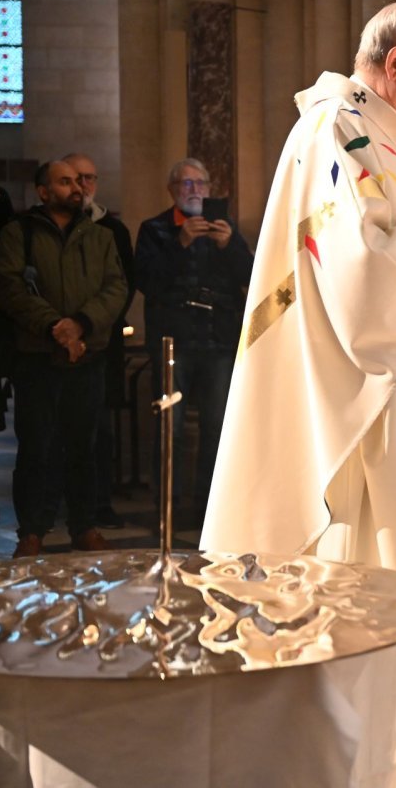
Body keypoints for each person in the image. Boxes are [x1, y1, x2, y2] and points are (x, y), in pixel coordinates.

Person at [199, 0, 396, 782]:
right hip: (359, 394)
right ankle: (347, 718)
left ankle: (388, 712)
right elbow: (360, 273)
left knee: (390, 545)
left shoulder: (385, 138)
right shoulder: (337, 130)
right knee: (362, 537)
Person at [0, 161, 127, 557]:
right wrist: (56, 326)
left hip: (87, 357)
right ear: (42, 191)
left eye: (78, 181)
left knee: (83, 447)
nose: (76, 188)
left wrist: (82, 324)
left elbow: (116, 286)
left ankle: (84, 525)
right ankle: (32, 531)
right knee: (38, 447)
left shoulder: (100, 236)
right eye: (64, 181)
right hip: (38, 358)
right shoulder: (18, 232)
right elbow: (10, 286)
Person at [135, 158, 252, 524]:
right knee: (171, 426)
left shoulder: (225, 227)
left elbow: (249, 275)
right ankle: (167, 504)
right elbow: (147, 282)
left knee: (216, 427)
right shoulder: (155, 230)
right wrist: (181, 243)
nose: (195, 191)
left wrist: (230, 245)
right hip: (174, 342)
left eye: (200, 184)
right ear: (172, 190)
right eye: (186, 184)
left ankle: (209, 507)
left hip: (218, 341)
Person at [63, 152, 134, 529]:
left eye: (90, 178)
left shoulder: (114, 230)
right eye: (75, 178)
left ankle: (98, 503)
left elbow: (123, 286)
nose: (84, 186)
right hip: (54, 344)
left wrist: (89, 323)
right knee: (56, 430)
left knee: (100, 429)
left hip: (102, 344)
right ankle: (59, 504)